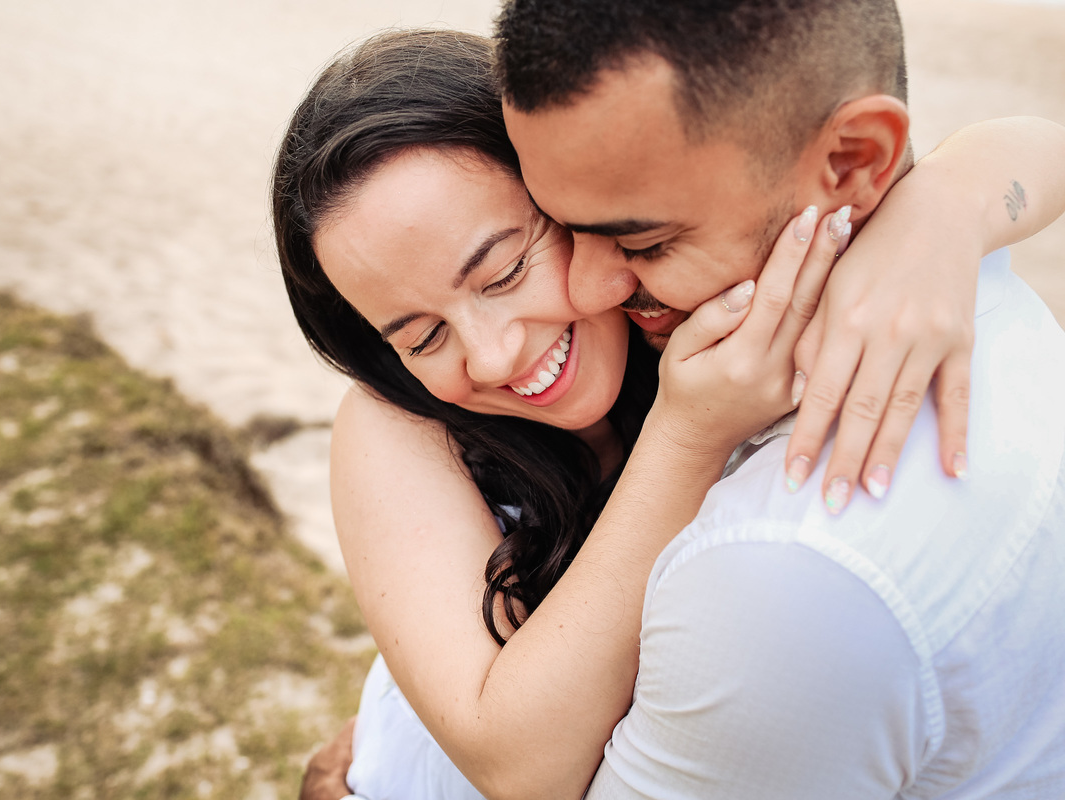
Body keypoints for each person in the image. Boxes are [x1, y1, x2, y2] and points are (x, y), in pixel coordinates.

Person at [274, 30, 1065, 800]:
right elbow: (519, 768)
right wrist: (686, 435)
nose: (491, 357)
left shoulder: (685, 307)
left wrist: (945, 209)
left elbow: (1038, 146)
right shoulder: (398, 427)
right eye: (422, 335)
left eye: (507, 270)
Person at [495, 0, 1065, 797]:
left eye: (642, 242)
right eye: (556, 229)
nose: (585, 289)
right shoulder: (962, 281)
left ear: (856, 161)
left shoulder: (781, 576)